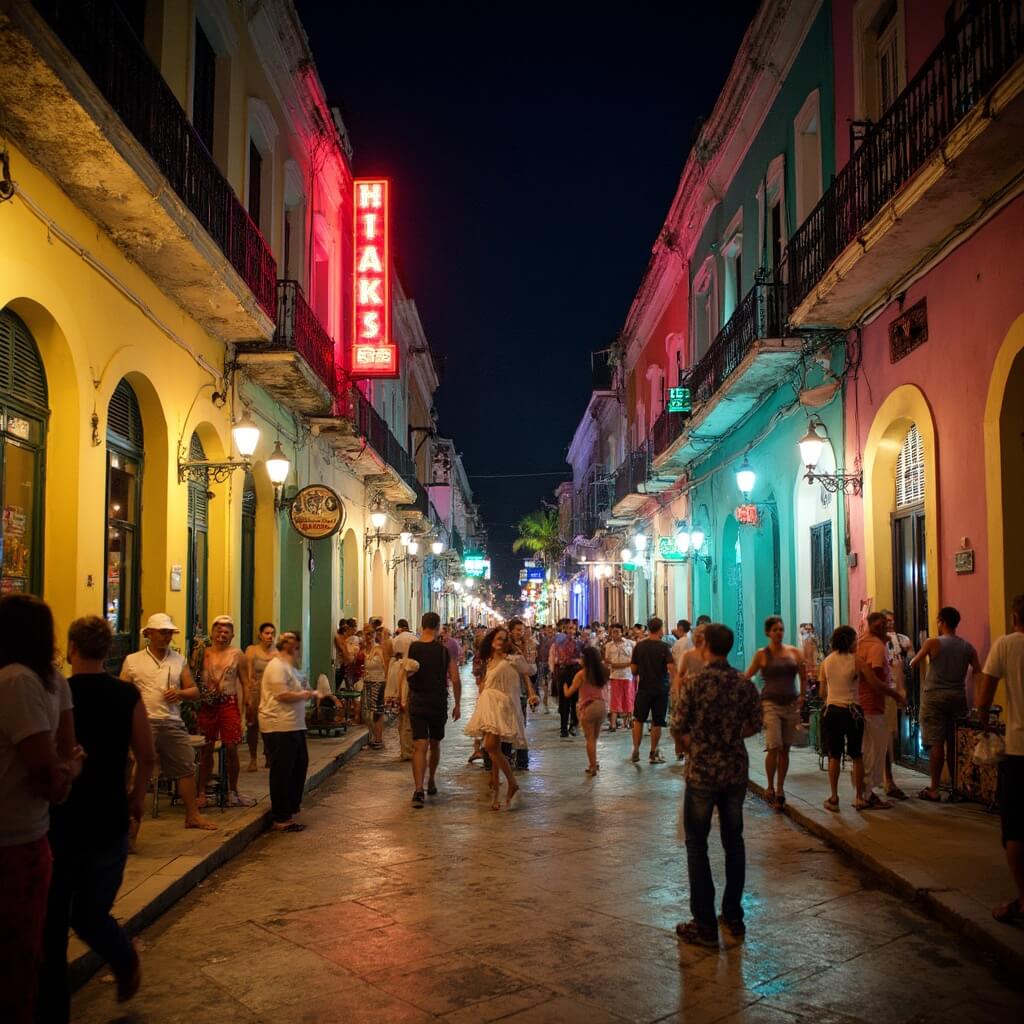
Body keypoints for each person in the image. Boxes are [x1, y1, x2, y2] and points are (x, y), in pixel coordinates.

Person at [38, 617, 155, 1022]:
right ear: (107, 651)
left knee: (52, 923)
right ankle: (123, 958)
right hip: (108, 814)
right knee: (90, 911)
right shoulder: (126, 695)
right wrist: (136, 799)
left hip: (59, 817)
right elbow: (146, 755)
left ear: (72, 648)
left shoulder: (56, 693)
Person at [0, 595, 81, 1024]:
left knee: (14, 954)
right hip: (33, 832)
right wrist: (67, 771)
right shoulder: (54, 680)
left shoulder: (16, 682)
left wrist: (60, 774)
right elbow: (67, 757)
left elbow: (47, 770)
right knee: (28, 947)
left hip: (12, 836)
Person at [670, 623, 762, 947]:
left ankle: (705, 924)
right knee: (733, 842)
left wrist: (692, 744)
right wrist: (732, 737)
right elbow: (755, 724)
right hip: (735, 771)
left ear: (705, 646)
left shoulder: (695, 685)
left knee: (697, 845)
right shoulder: (743, 684)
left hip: (702, 773)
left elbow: (677, 725)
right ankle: (733, 916)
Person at [121, 614, 216, 833]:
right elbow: (123, 689)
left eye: (169, 633)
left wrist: (180, 693)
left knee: (185, 767)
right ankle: (132, 822)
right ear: (149, 634)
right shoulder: (133, 661)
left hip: (171, 721)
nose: (166, 637)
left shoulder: (177, 660)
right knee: (139, 772)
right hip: (144, 721)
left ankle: (192, 815)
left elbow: (194, 690)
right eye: (162, 632)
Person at [975, 594, 1024, 925]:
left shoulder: (1007, 645)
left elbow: (984, 695)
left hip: (1020, 750)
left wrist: (984, 720)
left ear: (1014, 616)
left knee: (1017, 831)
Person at [819, 625, 903, 812]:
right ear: (849, 641)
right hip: (852, 712)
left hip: (832, 711)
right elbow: (875, 684)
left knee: (834, 755)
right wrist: (895, 695)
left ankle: (833, 798)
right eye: (855, 639)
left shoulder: (826, 662)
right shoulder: (856, 661)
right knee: (857, 756)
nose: (857, 642)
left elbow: (822, 691)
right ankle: (859, 798)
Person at [910, 606, 981, 802]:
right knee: (954, 742)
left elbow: (914, 661)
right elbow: (978, 670)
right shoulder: (967, 647)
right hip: (958, 696)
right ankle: (956, 787)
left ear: (941, 621)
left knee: (936, 742)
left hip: (934, 696)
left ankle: (933, 788)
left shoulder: (933, 642)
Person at [464, 626, 537, 810]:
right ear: (491, 640)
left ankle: (512, 782)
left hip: (501, 706)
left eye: (504, 639)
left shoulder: (511, 660)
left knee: (490, 747)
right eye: (498, 638)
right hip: (488, 706)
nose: (500, 642)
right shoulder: (489, 661)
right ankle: (496, 793)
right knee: (493, 748)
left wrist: (521, 653)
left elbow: (530, 671)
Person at [745, 617, 807, 811]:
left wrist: (802, 696)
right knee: (773, 745)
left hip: (790, 704)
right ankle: (770, 785)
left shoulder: (794, 653)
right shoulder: (762, 655)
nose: (779, 632)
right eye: (775, 630)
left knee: (785, 748)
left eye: (781, 629)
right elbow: (748, 676)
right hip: (770, 704)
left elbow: (803, 676)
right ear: (767, 633)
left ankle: (780, 788)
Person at [403, 613, 461, 807]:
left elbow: (408, 672)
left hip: (418, 700)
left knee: (420, 745)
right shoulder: (444, 651)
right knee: (435, 744)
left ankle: (418, 790)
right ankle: (431, 780)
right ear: (437, 627)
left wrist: (404, 698)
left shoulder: (414, 648)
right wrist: (458, 704)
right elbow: (455, 678)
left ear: (422, 625)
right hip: (437, 701)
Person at [259, 632, 314, 832]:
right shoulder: (276, 666)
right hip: (279, 724)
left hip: (295, 724)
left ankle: (290, 808)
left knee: (299, 765)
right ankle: (281, 816)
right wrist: (304, 694)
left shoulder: (291, 667)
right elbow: (281, 694)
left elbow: (301, 687)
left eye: (296, 645)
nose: (295, 648)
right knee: (283, 771)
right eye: (290, 644)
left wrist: (308, 691)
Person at [197, 615, 254, 808]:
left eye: (226, 631)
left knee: (231, 747)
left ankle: (233, 790)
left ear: (232, 635)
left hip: (228, 703)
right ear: (212, 633)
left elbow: (246, 682)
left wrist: (248, 705)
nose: (222, 634)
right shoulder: (202, 653)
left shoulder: (237, 654)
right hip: (207, 705)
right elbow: (193, 677)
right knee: (205, 748)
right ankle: (201, 791)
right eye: (218, 630)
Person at [630, 617, 674, 764]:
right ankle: (653, 752)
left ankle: (636, 749)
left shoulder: (639, 647)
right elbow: (671, 668)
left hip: (644, 688)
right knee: (657, 721)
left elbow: (633, 669)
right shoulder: (664, 647)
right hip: (661, 688)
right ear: (660, 629)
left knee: (639, 719)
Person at [564, 646, 609, 775]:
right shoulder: (604, 672)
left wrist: (564, 686)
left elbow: (568, 693)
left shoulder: (582, 674)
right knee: (594, 738)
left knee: (589, 738)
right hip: (601, 706)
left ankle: (593, 766)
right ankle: (595, 762)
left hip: (588, 707)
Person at [882, 611, 913, 799]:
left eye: (892, 621)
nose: (890, 624)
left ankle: (887, 776)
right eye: (886, 622)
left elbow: (910, 658)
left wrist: (908, 653)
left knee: (893, 734)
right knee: (888, 735)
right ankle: (887, 778)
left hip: (898, 691)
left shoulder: (901, 639)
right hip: (887, 692)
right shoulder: (877, 644)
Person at [244, 622, 276, 771]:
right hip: (256, 690)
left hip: (271, 693)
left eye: (272, 634)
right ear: (260, 635)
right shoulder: (252, 650)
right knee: (253, 725)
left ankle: (269, 754)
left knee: (270, 726)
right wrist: (248, 695)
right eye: (267, 633)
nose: (270, 636)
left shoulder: (277, 653)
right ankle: (253, 758)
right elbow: (248, 673)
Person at [673, 623, 708, 759]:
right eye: (698, 635)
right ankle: (684, 751)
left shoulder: (710, 654)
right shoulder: (689, 654)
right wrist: (677, 692)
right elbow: (680, 674)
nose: (700, 638)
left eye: (703, 635)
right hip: (691, 693)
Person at [508, 618, 537, 769]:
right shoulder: (508, 647)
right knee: (510, 723)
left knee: (521, 723)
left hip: (522, 689)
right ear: (511, 630)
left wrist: (531, 691)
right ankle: (515, 757)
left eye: (522, 629)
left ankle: (521, 759)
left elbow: (528, 670)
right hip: (510, 687)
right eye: (517, 629)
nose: (520, 632)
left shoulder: (525, 646)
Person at [387, 619, 416, 761]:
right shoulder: (415, 639)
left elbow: (392, 657)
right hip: (411, 676)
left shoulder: (395, 640)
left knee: (402, 715)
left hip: (397, 676)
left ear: (399, 627)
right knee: (410, 715)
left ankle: (405, 750)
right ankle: (411, 748)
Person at [551, 620, 582, 738]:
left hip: (575, 672)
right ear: (564, 629)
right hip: (562, 672)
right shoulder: (558, 642)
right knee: (563, 701)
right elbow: (555, 658)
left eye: (572, 628)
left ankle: (573, 725)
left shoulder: (579, 643)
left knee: (575, 700)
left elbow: (582, 658)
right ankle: (563, 728)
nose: (570, 631)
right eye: (568, 628)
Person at [362, 622, 389, 750]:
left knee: (377, 711)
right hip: (368, 682)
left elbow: (386, 666)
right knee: (366, 712)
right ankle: (373, 736)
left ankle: (378, 739)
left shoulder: (379, 649)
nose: (368, 636)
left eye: (371, 633)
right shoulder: (364, 650)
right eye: (366, 633)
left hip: (379, 682)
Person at [604, 622, 635, 732]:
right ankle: (613, 724)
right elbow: (607, 660)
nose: (615, 634)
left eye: (617, 632)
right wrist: (617, 664)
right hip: (615, 675)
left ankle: (629, 720)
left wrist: (627, 665)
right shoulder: (608, 646)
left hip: (627, 675)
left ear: (622, 632)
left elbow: (634, 660)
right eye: (613, 632)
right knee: (615, 700)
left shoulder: (631, 644)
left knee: (628, 698)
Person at [535, 624, 555, 712]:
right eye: (548, 631)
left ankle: (546, 698)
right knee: (544, 682)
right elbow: (538, 650)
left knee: (549, 681)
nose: (550, 633)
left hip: (551, 663)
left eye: (551, 631)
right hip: (542, 663)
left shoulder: (555, 640)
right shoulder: (541, 639)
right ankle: (545, 698)